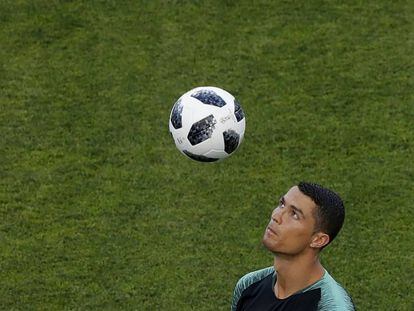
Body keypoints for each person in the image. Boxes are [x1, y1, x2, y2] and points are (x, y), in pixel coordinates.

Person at [231, 182, 355, 311]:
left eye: (294, 214)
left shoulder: (333, 307)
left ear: (318, 240)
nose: (276, 216)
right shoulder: (249, 285)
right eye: (282, 204)